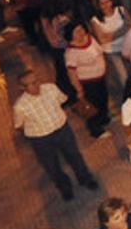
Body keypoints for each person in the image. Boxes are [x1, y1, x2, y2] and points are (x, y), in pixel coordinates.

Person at [12, 69, 99, 201]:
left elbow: (62, 100)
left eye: (36, 81)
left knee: (74, 155)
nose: (36, 86)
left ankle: (85, 179)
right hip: (41, 139)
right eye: (31, 84)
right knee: (51, 165)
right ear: (22, 88)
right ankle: (65, 188)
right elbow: (19, 125)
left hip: (62, 129)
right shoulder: (20, 106)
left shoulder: (51, 89)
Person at [64, 22, 112, 139]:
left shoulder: (89, 38)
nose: (80, 33)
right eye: (76, 32)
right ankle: (95, 130)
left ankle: (103, 118)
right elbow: (71, 73)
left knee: (103, 99)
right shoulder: (71, 52)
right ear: (71, 35)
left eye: (81, 29)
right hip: (88, 83)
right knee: (92, 106)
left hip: (100, 78)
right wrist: (79, 89)